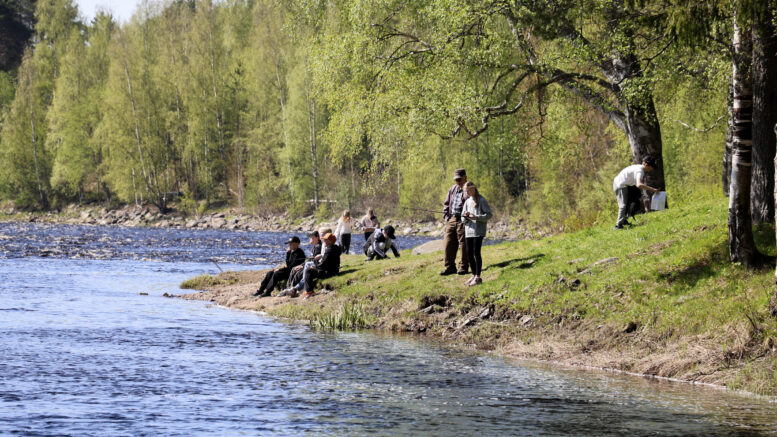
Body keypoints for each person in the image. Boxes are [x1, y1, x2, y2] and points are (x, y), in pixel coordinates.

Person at [284, 232, 341, 298]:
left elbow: (322, 266)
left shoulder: (329, 249)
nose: (324, 241)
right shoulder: (333, 248)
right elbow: (325, 262)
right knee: (309, 266)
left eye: (325, 240)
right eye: (324, 240)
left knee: (309, 270)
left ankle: (308, 291)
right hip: (331, 270)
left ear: (330, 241)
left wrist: (315, 262)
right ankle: (298, 289)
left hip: (330, 272)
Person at [613, 156, 660, 230]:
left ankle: (624, 220)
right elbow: (639, 184)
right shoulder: (640, 171)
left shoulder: (639, 168)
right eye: (652, 167)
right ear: (647, 165)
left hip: (625, 184)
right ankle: (618, 226)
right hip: (620, 185)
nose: (652, 169)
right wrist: (653, 189)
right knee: (623, 205)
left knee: (631, 202)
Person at [440, 168, 469, 276]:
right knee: (448, 243)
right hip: (451, 219)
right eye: (456, 180)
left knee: (463, 244)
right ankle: (450, 267)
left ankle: (463, 267)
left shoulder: (469, 188)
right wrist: (446, 216)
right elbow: (446, 203)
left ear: (465, 177)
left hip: (463, 220)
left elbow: (474, 202)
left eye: (459, 179)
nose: (457, 182)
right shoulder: (453, 189)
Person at [462, 182, 492, 286]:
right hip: (468, 231)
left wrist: (477, 218)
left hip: (478, 231)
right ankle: (473, 275)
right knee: (469, 253)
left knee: (476, 253)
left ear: (474, 189)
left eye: (469, 190)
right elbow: (462, 218)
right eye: (466, 191)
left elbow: (489, 215)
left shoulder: (482, 200)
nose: (467, 192)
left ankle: (478, 277)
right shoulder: (466, 202)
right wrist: (465, 217)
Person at [281, 231, 322, 296]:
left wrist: (302, 265)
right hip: (309, 265)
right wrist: (302, 265)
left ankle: (294, 289)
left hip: (314, 267)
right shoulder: (315, 247)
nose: (310, 238)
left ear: (317, 238)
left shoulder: (319, 247)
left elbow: (314, 261)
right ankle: (291, 288)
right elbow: (310, 259)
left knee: (298, 273)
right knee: (296, 271)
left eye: (311, 237)